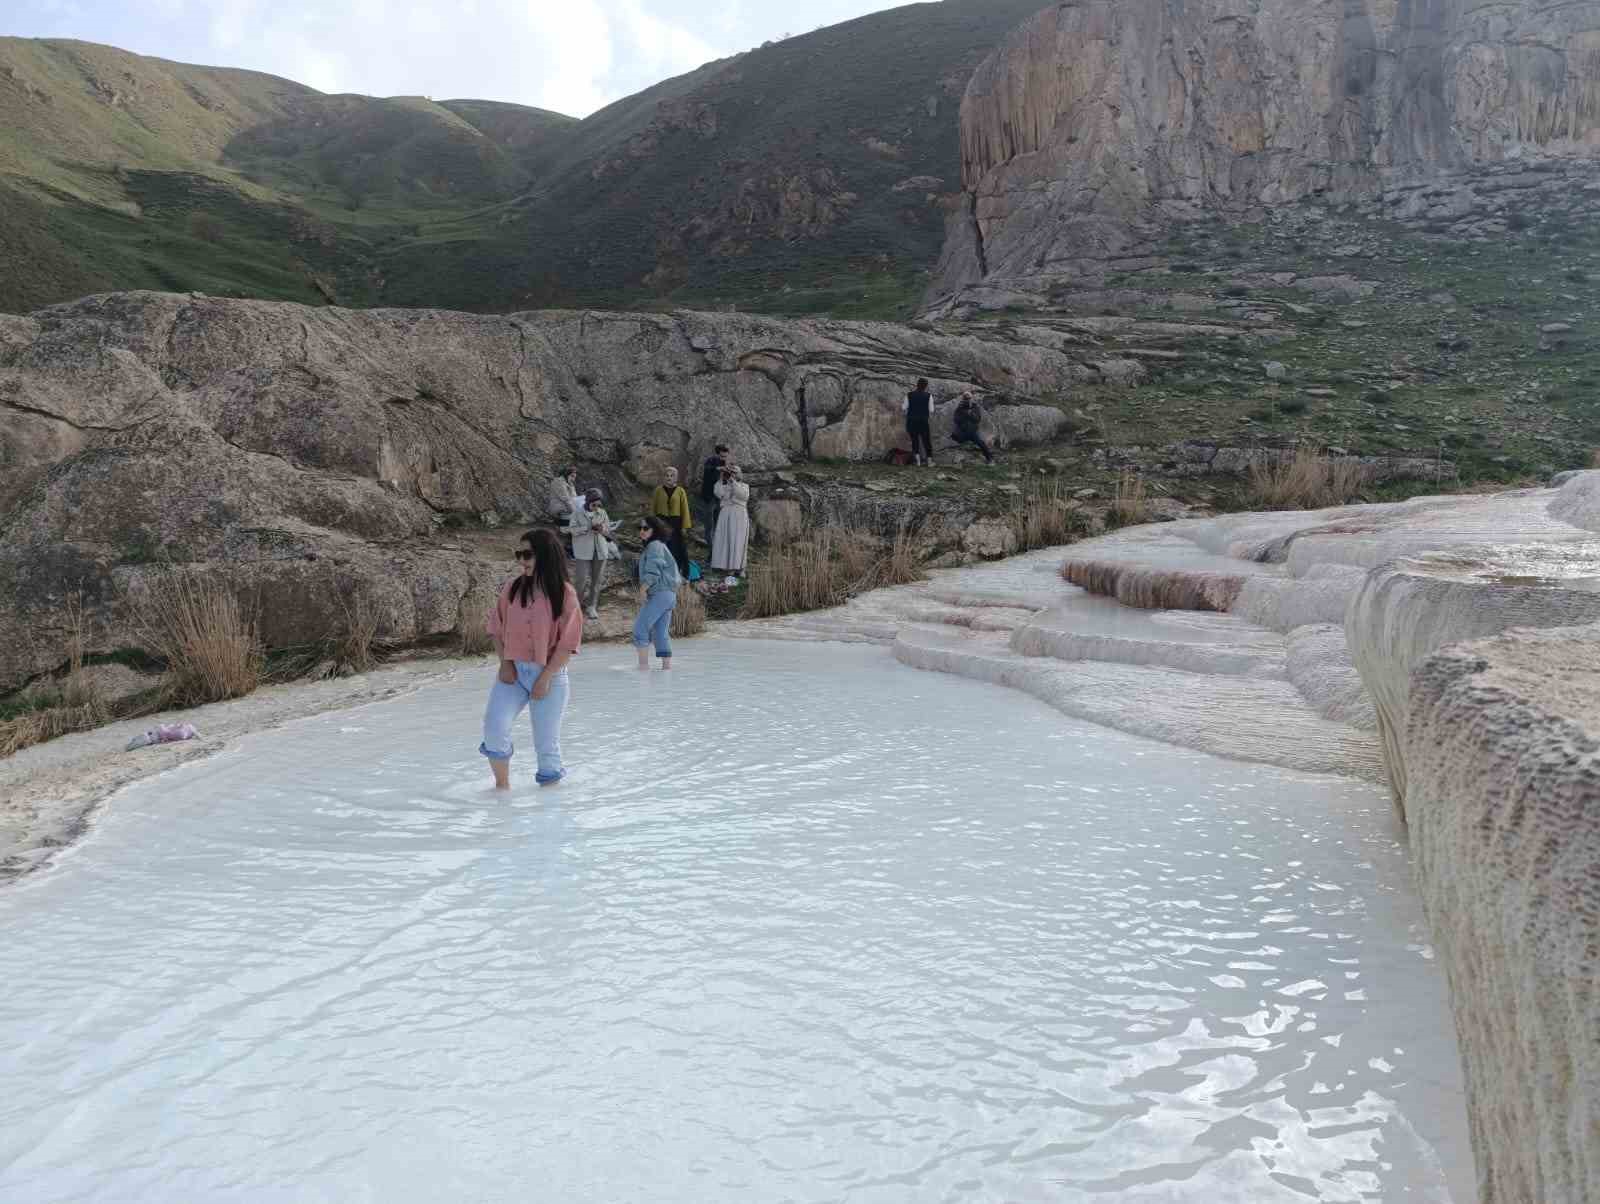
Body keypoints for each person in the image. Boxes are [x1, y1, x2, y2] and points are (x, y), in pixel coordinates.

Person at [481, 528, 583, 790]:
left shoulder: (565, 594)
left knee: (546, 745)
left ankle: (549, 812)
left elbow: (567, 643)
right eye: (519, 554)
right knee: (494, 728)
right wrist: (504, 663)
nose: (521, 560)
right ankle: (501, 794)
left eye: (527, 554)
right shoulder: (513, 588)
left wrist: (545, 677)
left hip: (549, 675)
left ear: (545, 556)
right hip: (513, 673)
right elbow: (496, 626)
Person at [633, 516, 681, 671]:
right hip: (668, 595)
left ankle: (643, 668)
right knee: (660, 633)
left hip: (660, 593)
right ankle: (667, 670)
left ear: (655, 530)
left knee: (640, 629)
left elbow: (653, 571)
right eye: (640, 528)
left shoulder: (654, 546)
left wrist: (642, 590)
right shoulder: (658, 545)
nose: (642, 531)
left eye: (646, 528)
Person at [566, 487, 612, 620]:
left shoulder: (602, 512)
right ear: (587, 501)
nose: (596, 507)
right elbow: (572, 530)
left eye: (599, 505)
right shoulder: (577, 513)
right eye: (594, 504)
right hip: (583, 552)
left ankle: (592, 607)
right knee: (580, 581)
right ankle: (576, 607)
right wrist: (587, 527)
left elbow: (608, 529)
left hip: (600, 551)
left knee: (596, 581)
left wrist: (603, 529)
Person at [650, 466, 693, 577]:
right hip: (661, 521)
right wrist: (651, 523)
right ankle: (661, 570)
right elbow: (653, 508)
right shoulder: (658, 490)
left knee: (676, 546)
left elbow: (685, 509)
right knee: (662, 545)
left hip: (675, 522)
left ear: (676, 478)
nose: (669, 478)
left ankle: (676, 570)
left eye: (672, 475)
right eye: (667, 475)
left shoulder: (680, 491)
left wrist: (685, 526)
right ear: (663, 477)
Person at [712, 463, 750, 574]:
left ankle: (739, 567)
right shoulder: (725, 486)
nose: (732, 474)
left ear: (740, 474)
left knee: (738, 540)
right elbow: (717, 493)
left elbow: (743, 495)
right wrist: (721, 478)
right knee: (725, 539)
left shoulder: (744, 486)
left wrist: (733, 482)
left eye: (735, 472)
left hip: (739, 515)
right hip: (725, 514)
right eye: (731, 472)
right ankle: (726, 566)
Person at [951, 391, 996, 464]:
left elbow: (977, 419)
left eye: (968, 398)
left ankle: (990, 458)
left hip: (972, 432)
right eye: (966, 398)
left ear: (971, 399)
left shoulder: (975, 407)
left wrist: (970, 413)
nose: (967, 400)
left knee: (981, 444)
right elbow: (956, 420)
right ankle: (959, 457)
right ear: (963, 399)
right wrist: (964, 413)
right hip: (962, 432)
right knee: (954, 438)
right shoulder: (960, 407)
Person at [700, 443, 730, 553]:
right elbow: (707, 472)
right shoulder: (710, 461)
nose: (723, 459)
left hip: (720, 499)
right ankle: (711, 551)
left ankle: (717, 552)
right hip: (709, 498)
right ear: (717, 454)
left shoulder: (727, 464)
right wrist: (719, 468)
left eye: (725, 456)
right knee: (709, 526)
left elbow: (727, 482)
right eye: (721, 456)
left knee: (719, 526)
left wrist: (728, 472)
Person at [902, 377, 934, 466]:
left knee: (914, 440)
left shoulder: (909, 395)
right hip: (923, 421)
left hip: (911, 421)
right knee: (926, 441)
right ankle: (929, 461)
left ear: (917, 384)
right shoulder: (928, 395)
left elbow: (904, 407)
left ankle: (918, 462)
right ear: (926, 386)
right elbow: (931, 410)